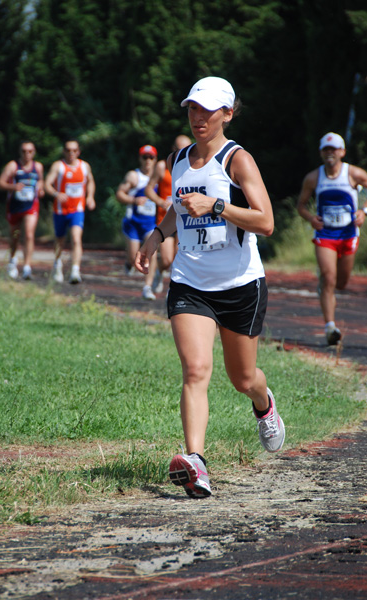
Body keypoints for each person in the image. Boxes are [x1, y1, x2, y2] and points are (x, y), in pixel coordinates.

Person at [135, 76, 285, 499]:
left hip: (239, 283)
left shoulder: (237, 160)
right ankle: (195, 462)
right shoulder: (177, 159)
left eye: (206, 110)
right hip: (190, 282)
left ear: (227, 114)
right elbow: (176, 209)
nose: (197, 117)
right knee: (196, 370)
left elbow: (267, 222)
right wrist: (158, 235)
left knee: (242, 378)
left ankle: (263, 402)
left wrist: (217, 205)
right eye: (192, 109)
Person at [297, 132, 367, 346]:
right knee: (328, 277)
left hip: (348, 234)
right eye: (326, 150)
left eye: (334, 149)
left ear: (342, 152)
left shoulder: (353, 173)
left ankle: (326, 288)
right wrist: (311, 218)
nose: (330, 153)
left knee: (341, 282)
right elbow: (301, 205)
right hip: (325, 234)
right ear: (321, 153)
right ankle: (330, 327)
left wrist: (363, 211)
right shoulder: (313, 178)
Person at [145, 135, 192, 294]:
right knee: (166, 259)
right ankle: (159, 272)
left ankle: (175, 291)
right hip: (166, 219)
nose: (184, 152)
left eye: (187, 149)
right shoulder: (162, 166)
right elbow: (148, 189)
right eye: (180, 149)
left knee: (179, 256)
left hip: (185, 219)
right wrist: (160, 202)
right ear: (173, 149)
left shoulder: (195, 165)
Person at [45, 139, 96, 284]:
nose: (71, 153)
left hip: (77, 210)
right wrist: (56, 194)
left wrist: (90, 197)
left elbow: (91, 181)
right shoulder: (58, 166)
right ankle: (58, 265)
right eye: (68, 150)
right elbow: (47, 184)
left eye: (74, 150)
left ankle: (75, 270)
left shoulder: (84, 166)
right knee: (60, 240)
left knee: (75, 238)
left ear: (78, 152)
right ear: (64, 151)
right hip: (60, 210)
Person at [116, 144, 158, 300]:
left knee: (151, 252)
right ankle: (128, 263)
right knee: (135, 259)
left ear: (155, 159)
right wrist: (133, 200)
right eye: (145, 157)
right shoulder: (134, 176)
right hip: (133, 223)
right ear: (140, 159)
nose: (148, 161)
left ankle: (147, 287)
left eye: (151, 157)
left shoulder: (158, 176)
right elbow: (119, 194)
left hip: (150, 223)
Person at [0, 141, 44, 280]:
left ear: (34, 152)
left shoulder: (38, 166)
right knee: (15, 235)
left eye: (29, 151)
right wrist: (13, 187)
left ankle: (27, 266)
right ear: (20, 152)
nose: (27, 154)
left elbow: (40, 181)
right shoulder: (13, 166)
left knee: (29, 234)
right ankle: (12, 260)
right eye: (24, 151)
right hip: (15, 205)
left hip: (31, 205)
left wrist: (40, 189)